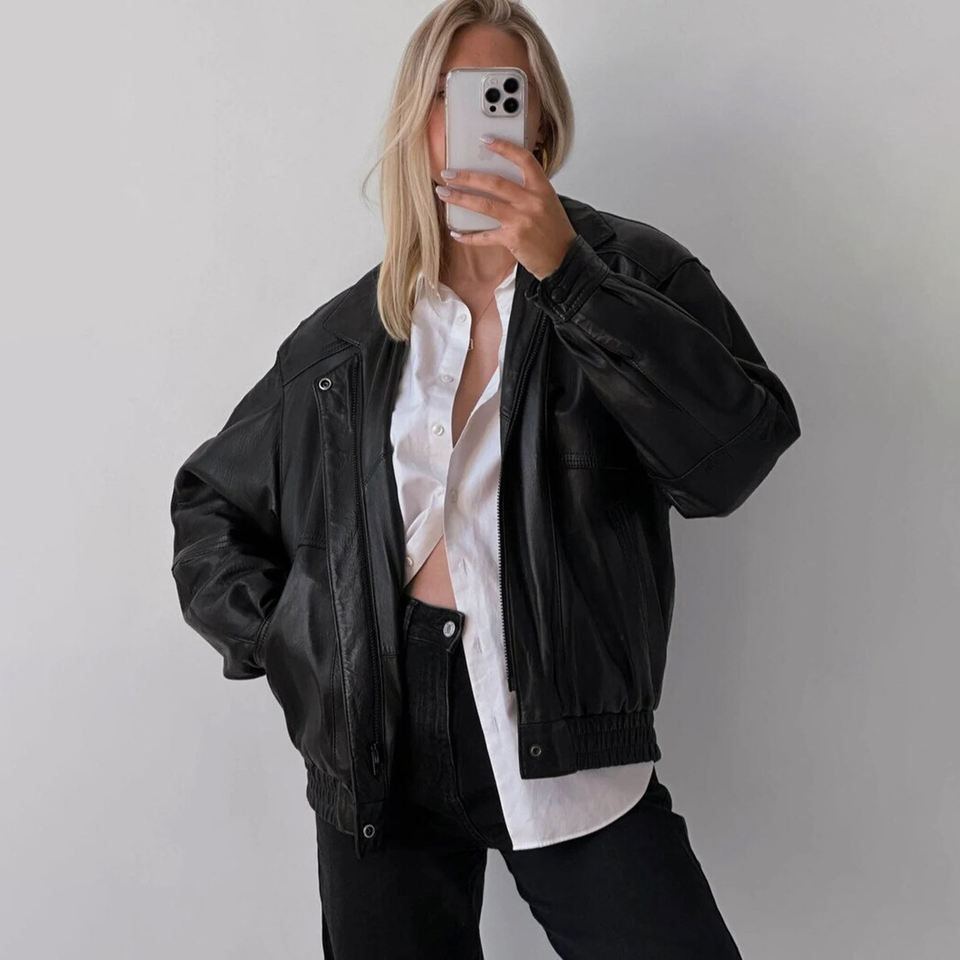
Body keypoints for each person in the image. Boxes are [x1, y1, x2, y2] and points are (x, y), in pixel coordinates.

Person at [170, 2, 801, 957]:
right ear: (416, 125)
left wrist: (567, 274)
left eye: (501, 93)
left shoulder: (637, 275)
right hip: (377, 747)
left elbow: (734, 456)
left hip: (563, 731)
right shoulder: (350, 336)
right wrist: (293, 641)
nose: (476, 118)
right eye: (448, 96)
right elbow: (210, 504)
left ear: (539, 117)